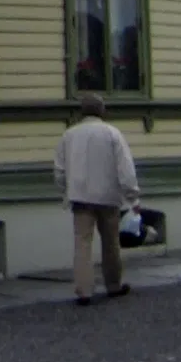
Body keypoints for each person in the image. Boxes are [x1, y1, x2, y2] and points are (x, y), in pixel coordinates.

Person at [52, 92, 140, 306]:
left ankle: (84, 291)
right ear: (102, 110)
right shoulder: (112, 133)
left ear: (81, 112)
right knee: (111, 242)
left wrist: (66, 190)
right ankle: (113, 284)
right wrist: (132, 196)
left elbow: (59, 170)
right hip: (108, 196)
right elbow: (125, 169)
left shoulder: (69, 135)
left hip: (80, 196)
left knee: (82, 243)